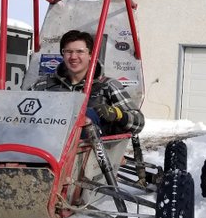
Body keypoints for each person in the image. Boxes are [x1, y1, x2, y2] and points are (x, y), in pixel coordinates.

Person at [30, 30, 146, 180]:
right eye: (68, 51)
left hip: (89, 158)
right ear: (62, 54)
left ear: (91, 55)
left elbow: (139, 123)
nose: (73, 57)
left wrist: (117, 114)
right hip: (42, 151)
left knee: (89, 114)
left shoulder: (108, 86)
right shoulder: (43, 85)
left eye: (80, 51)